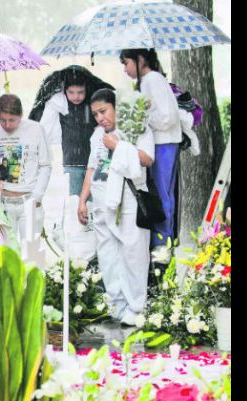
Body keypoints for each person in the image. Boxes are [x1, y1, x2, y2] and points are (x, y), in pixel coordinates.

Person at [77, 89, 154, 326]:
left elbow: (148, 158)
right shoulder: (96, 134)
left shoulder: (137, 125)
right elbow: (92, 167)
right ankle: (116, 304)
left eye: (104, 111)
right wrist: (83, 199)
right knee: (108, 255)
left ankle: (135, 306)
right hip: (101, 200)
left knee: (133, 252)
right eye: (96, 114)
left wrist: (119, 146)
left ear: (116, 107)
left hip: (129, 199)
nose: (100, 118)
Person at [120, 49, 182, 248]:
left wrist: (142, 117)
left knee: (161, 195)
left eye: (126, 63)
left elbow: (168, 117)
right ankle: (163, 241)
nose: (125, 69)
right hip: (159, 144)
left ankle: (162, 244)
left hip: (163, 144)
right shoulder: (147, 81)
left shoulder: (153, 80)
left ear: (140, 60)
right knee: (161, 194)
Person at [29, 65, 114, 197]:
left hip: (96, 162)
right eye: (71, 92)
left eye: (80, 92)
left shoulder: (92, 105)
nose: (76, 96)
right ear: (64, 91)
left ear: (86, 89)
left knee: (98, 198)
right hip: (72, 164)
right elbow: (43, 124)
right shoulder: (61, 104)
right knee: (74, 202)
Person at [0, 94, 52, 256]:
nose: (7, 125)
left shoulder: (35, 129)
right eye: (2, 120)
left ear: (21, 114)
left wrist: (37, 196)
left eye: (12, 120)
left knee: (32, 256)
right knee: (8, 257)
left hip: (28, 201)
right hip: (3, 204)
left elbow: (46, 165)